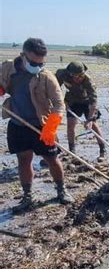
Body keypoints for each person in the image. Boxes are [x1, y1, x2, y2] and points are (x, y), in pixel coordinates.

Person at [0, 38, 73, 212]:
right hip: (17, 122)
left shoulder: (47, 76)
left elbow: (58, 103)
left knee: (52, 159)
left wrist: (51, 127)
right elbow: (2, 84)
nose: (37, 66)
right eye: (33, 62)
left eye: (41, 63)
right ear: (23, 55)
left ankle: (61, 190)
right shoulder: (8, 68)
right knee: (24, 159)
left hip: (42, 125)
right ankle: (27, 196)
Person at [56, 61, 106, 160]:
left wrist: (90, 119)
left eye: (80, 76)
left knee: (94, 126)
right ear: (69, 73)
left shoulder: (88, 81)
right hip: (72, 101)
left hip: (86, 101)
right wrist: (62, 102)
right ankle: (72, 151)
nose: (78, 78)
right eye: (75, 76)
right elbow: (55, 88)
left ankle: (102, 151)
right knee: (70, 125)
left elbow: (93, 101)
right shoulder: (62, 74)